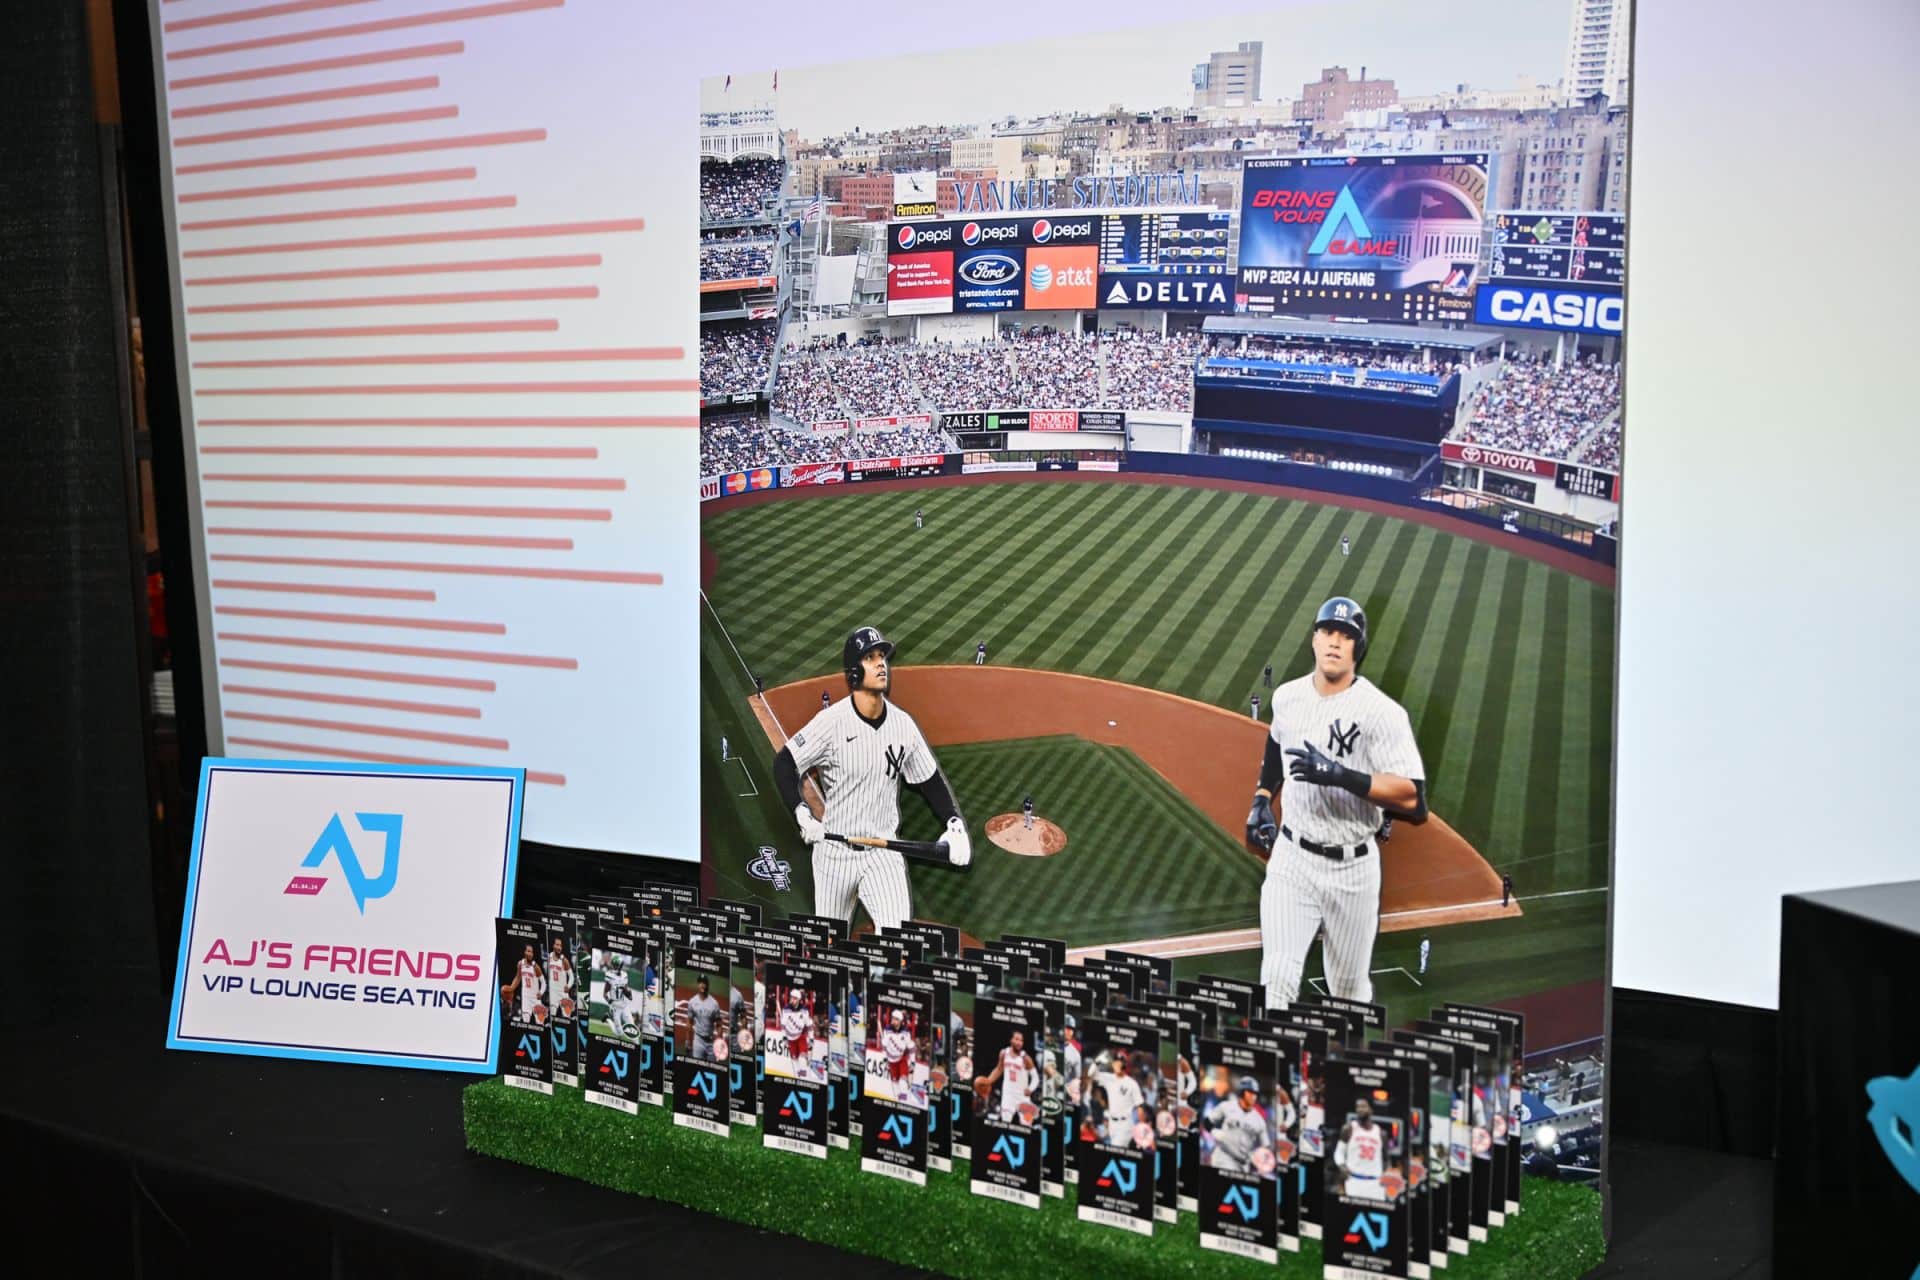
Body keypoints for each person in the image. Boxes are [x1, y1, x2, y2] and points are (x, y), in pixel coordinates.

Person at [1244, 597, 1427, 1008]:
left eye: (1346, 636)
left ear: (1357, 649)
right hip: (1292, 859)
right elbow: (1277, 746)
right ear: (1314, 639)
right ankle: (1283, 1070)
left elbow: (1414, 799)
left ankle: (1343, 1068)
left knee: (1348, 993)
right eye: (1328, 631)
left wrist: (1343, 776)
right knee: (1276, 980)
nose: (1334, 642)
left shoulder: (1382, 714)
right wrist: (1260, 798)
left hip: (1354, 871)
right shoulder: (1288, 698)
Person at [773, 627, 970, 932]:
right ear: (853, 672)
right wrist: (802, 813)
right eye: (870, 657)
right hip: (834, 856)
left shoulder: (903, 725)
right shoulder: (831, 723)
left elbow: (928, 778)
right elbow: (785, 763)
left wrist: (953, 823)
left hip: (883, 855)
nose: (881, 664)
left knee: (899, 944)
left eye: (882, 657)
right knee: (828, 950)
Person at [1201, 1076, 1269, 1173]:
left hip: (1243, 1164)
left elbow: (1265, 1147)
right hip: (1224, 1156)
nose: (1253, 1096)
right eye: (1250, 1092)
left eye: (1255, 1093)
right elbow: (1207, 1122)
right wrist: (1215, 1132)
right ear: (1242, 1092)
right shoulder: (1226, 1106)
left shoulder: (1259, 1119)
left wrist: (1258, 1158)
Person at [977, 1029, 1038, 1123]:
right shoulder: (1004, 1053)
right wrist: (988, 1081)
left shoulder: (1026, 1058)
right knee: (1005, 1123)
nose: (1019, 1042)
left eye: (1021, 1040)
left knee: (1027, 1125)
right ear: (1011, 1040)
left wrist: (1030, 1088)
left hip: (1022, 1096)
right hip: (1008, 1095)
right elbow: (999, 1069)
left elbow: (1035, 1078)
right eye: (1017, 1039)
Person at [1335, 1097, 1389, 1200]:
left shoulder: (1381, 1133)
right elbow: (1339, 1152)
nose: (1360, 1109)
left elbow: (1386, 1158)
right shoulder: (1348, 1129)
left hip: (1375, 1183)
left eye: (1363, 1106)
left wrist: (1381, 1174)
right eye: (1358, 1107)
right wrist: (1342, 1166)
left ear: (1371, 1109)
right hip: (1354, 1180)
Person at [685, 975, 723, 1062]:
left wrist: (719, 1042)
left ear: (707, 985)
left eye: (704, 983)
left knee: (712, 1068)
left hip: (711, 1041)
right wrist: (688, 1040)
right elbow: (689, 1022)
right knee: (697, 1065)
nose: (702, 985)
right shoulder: (692, 1002)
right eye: (700, 983)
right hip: (698, 1040)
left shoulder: (714, 1004)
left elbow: (719, 1025)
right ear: (698, 985)